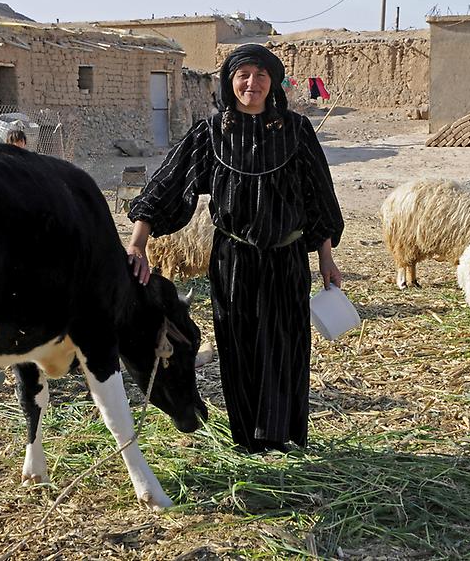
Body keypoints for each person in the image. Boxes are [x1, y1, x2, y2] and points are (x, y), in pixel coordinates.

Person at [126, 44, 345, 453]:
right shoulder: (210, 134)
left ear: (273, 83)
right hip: (234, 260)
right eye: (243, 74)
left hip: (287, 258)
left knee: (285, 345)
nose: (252, 83)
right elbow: (166, 185)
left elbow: (319, 199)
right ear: (230, 82)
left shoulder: (297, 132)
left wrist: (326, 258)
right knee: (239, 346)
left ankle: (281, 437)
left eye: (261, 75)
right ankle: (247, 440)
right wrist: (138, 241)